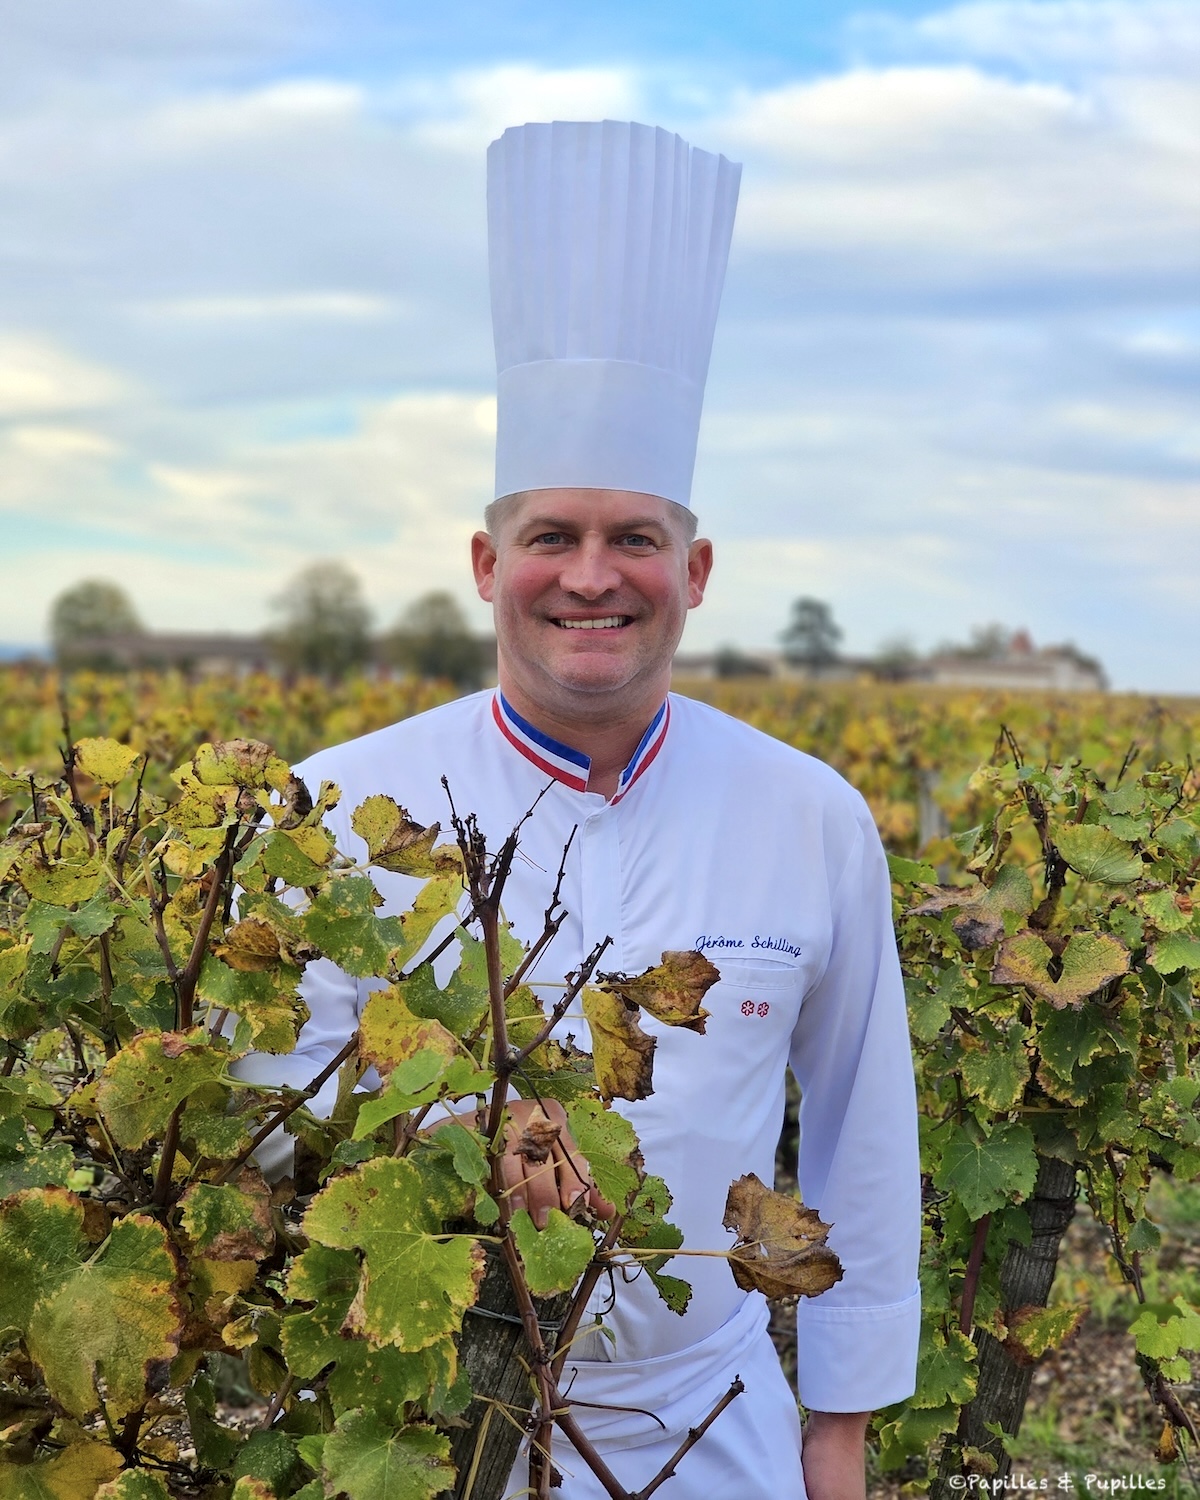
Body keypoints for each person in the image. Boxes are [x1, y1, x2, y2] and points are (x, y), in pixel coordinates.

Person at [237, 120, 921, 1499]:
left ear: (698, 568)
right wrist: (445, 1147)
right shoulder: (339, 808)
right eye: (553, 536)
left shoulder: (811, 813)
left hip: (717, 1419)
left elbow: (861, 1128)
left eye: (636, 540)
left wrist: (837, 1432)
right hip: (414, 1418)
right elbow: (261, 1121)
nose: (592, 577)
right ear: (489, 562)